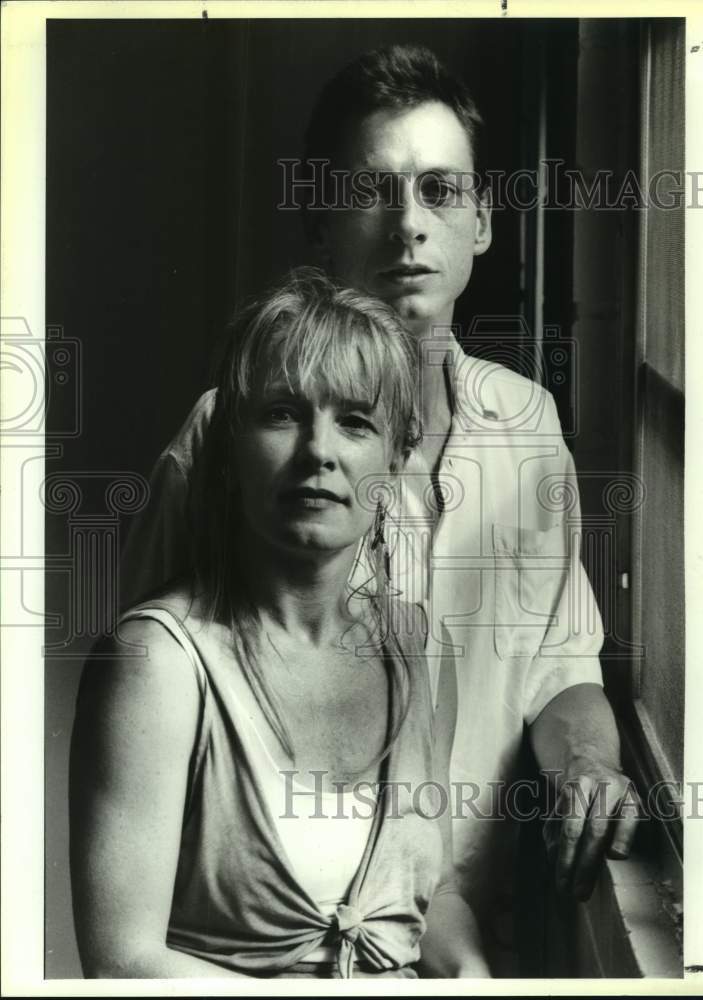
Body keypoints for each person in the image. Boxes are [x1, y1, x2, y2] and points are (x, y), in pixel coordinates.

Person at [118, 45, 638, 973]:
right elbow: (149, 695)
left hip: (464, 936)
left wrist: (589, 764)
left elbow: (560, 662)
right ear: (322, 222)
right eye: (373, 191)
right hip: (263, 951)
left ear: (481, 221)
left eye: (442, 191)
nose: (409, 227)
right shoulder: (229, 440)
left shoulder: (526, 425)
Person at [69, 269, 491, 979]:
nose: (319, 451)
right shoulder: (159, 663)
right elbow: (123, 963)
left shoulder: (412, 646)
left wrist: (472, 973)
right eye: (283, 414)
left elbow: (434, 890)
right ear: (230, 448)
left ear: (394, 458)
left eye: (355, 421)